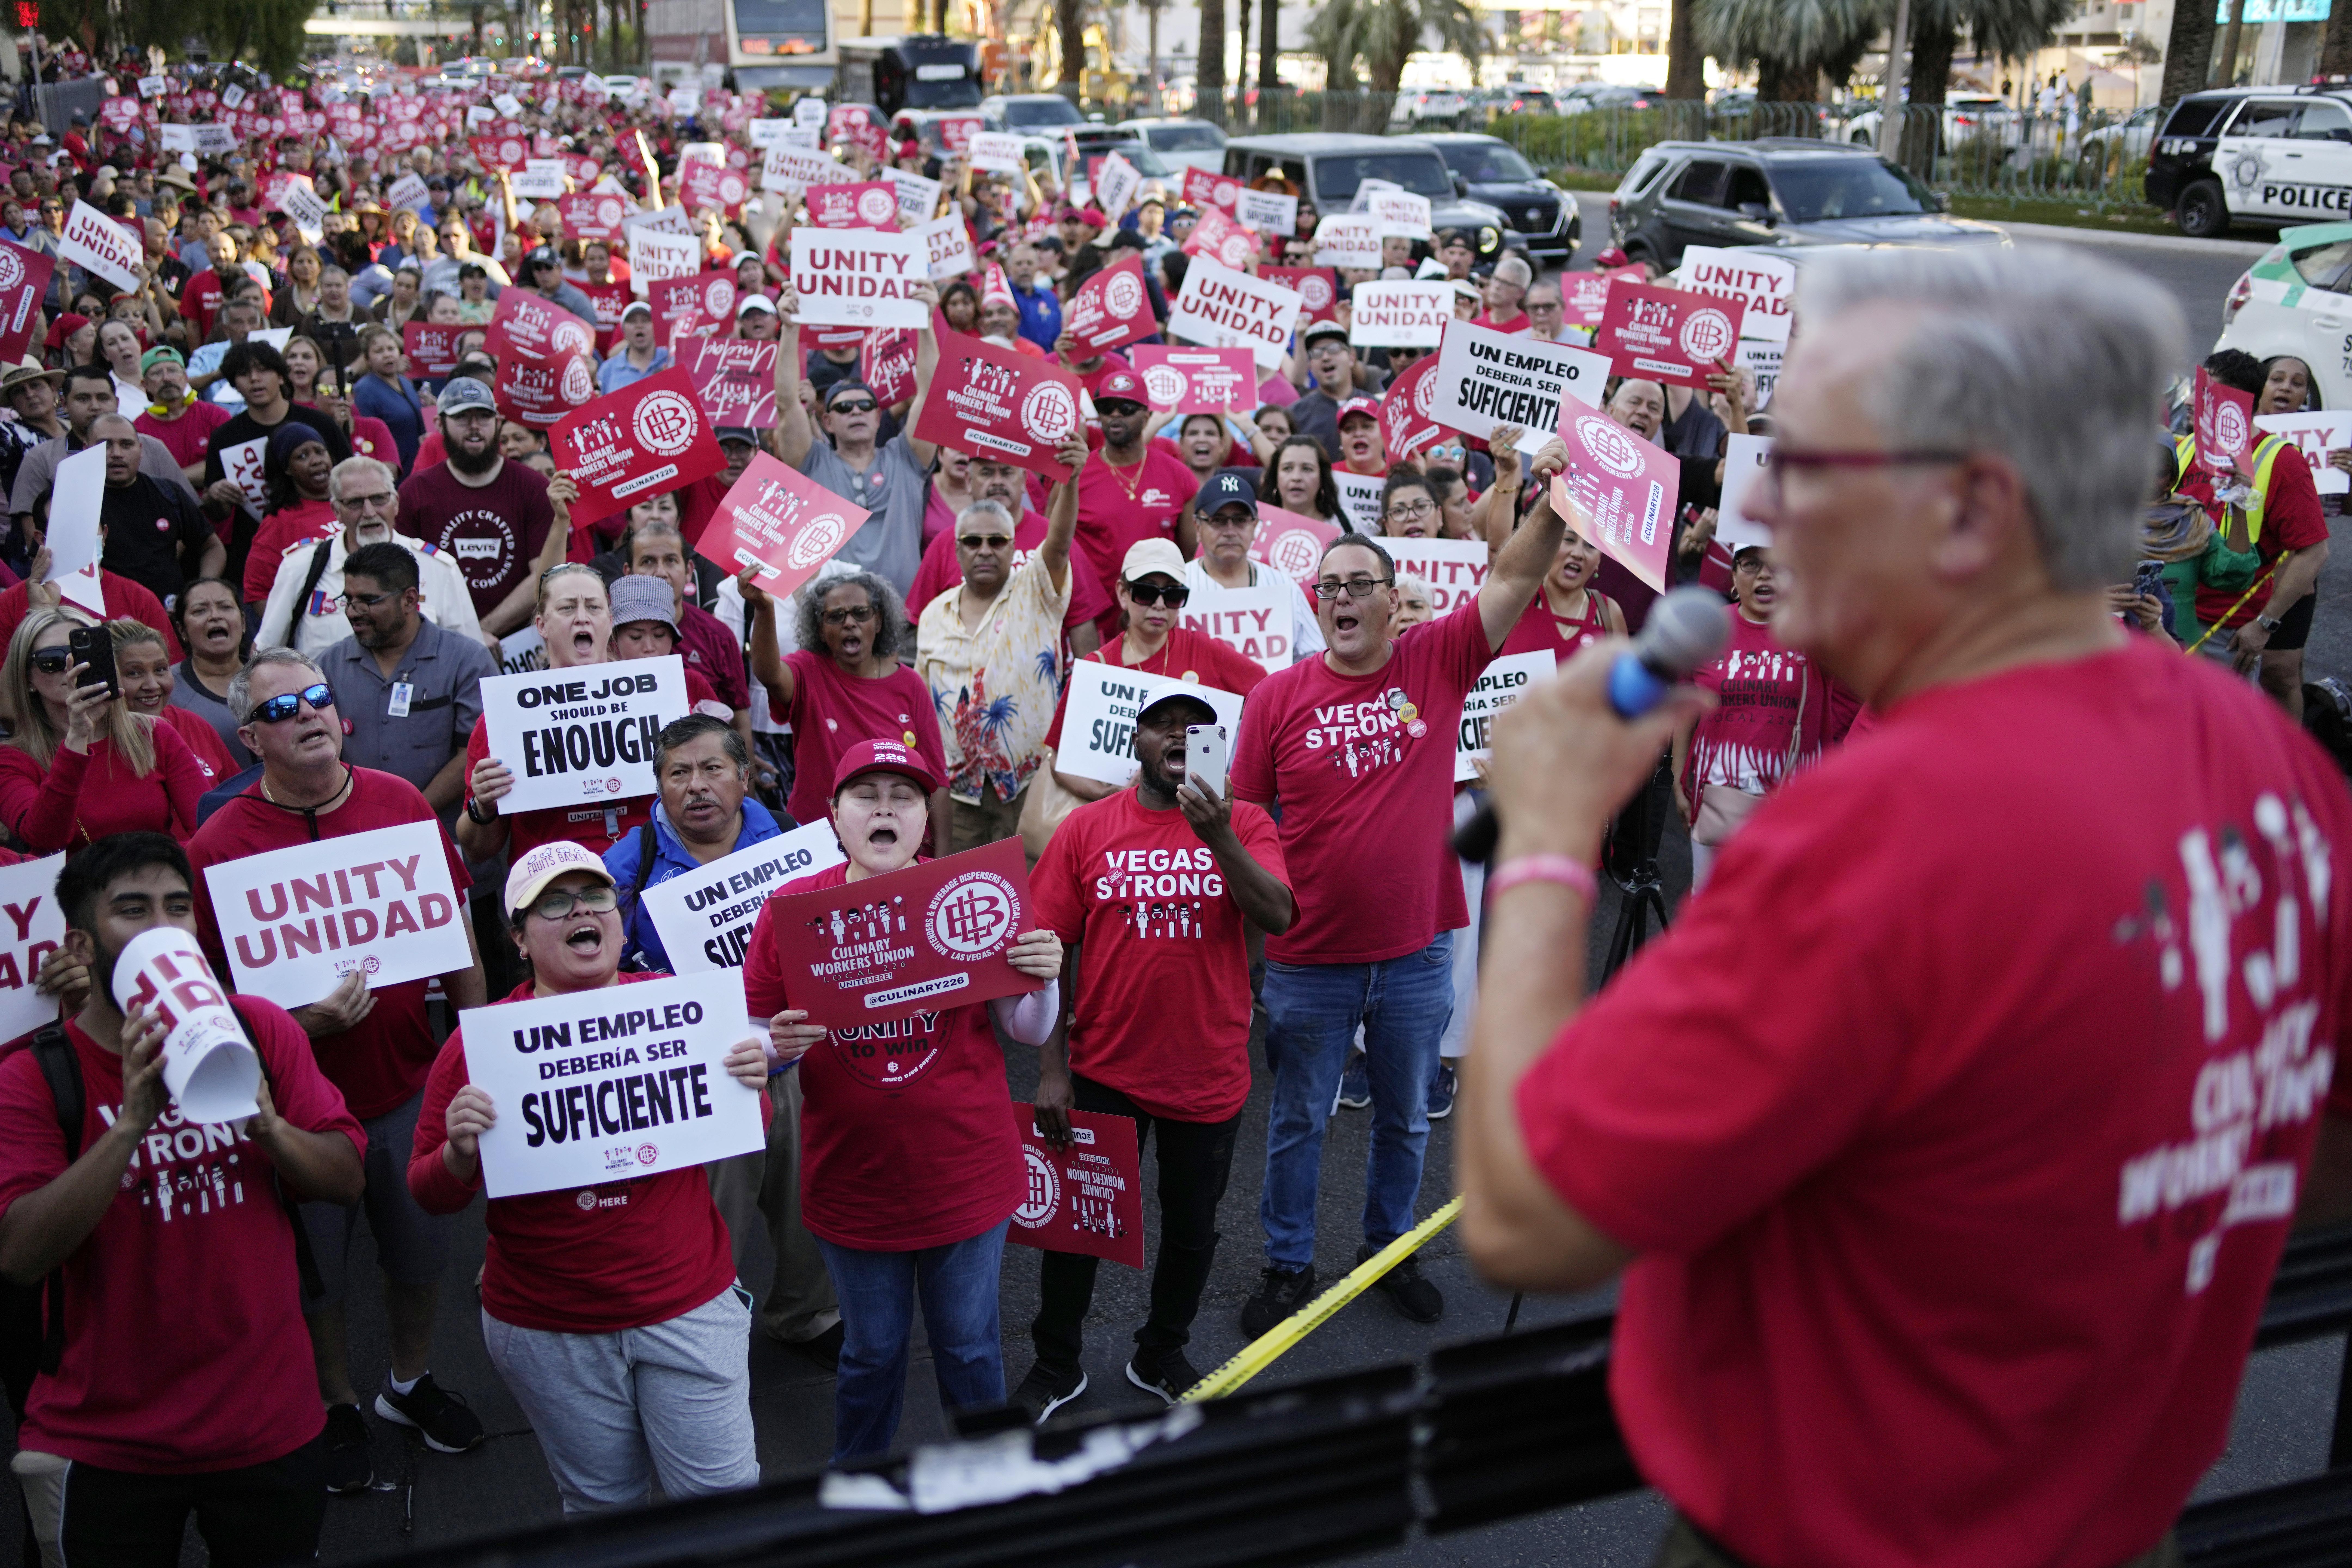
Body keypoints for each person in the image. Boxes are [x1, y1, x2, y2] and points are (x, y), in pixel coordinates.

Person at [1458, 244, 2352, 1568]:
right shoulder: (2278, 766)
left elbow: (1524, 1214)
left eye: (1816, 468)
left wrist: (1539, 843)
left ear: (1973, 510)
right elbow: (2321, 1171)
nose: (1772, 514)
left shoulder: (1885, 831)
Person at [1230, 476, 1564, 1335]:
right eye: (1328, 587)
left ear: (1391, 604)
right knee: (1301, 1119)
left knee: (1407, 1119)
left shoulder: (1437, 661)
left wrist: (1557, 503)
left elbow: (1516, 577)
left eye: (1359, 586)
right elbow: (1248, 818)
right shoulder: (1276, 698)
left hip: (1417, 954)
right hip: (1308, 960)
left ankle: (1389, 1252)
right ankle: (1288, 1263)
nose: (1341, 599)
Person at [0, 833, 364, 1568]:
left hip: (267, 1419)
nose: (163, 928)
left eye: (177, 908)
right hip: (105, 1441)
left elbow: (347, 1176)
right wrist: (130, 1125)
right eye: (133, 911)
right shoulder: (35, 1079)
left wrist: (267, 1127)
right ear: (80, 941)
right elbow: (21, 1253)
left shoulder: (260, 1028)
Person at [186, 646, 491, 1490]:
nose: (307, 715)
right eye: (281, 711)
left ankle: (408, 1381)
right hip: (299, 1107)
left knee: (420, 1251)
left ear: (339, 713)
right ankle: (336, 1405)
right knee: (316, 1273)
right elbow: (207, 994)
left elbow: (458, 937)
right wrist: (299, 1026)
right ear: (252, 740)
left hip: (409, 1085)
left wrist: (476, 1050)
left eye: (317, 698)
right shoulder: (216, 844)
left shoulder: (398, 804)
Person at [410, 840, 764, 1514]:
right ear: (518, 937)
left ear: (620, 918)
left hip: (686, 1304)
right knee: (603, 1511)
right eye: (554, 902)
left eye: (596, 894)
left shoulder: (679, 1006)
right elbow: (429, 1189)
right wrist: (460, 1149)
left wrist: (746, 1081)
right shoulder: (480, 1047)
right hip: (551, 1328)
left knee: (725, 1507)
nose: (581, 909)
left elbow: (743, 1127)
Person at [740, 740, 1064, 1462]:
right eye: (866, 793)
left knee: (972, 1351)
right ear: (833, 816)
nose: (885, 805)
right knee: (871, 1356)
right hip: (854, 1186)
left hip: (967, 1179)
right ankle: (860, 1490)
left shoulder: (970, 895)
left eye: (905, 794)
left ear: (927, 819)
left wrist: (1045, 979)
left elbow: (1024, 1028)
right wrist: (777, 1046)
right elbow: (753, 1036)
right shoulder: (793, 912)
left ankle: (994, 1487)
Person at [1013, 690, 1295, 1418]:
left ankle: (1161, 1351)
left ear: (1216, 748)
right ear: (1135, 742)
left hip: (1208, 1072)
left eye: (1197, 729)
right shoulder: (1087, 830)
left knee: (1192, 1227)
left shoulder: (1250, 823)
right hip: (1104, 1070)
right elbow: (1048, 955)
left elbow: (1279, 915)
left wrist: (1221, 836)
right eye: (1164, 724)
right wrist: (1052, 1070)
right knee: (1077, 1228)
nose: (1179, 735)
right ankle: (1057, 1363)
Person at [597, 716, 844, 1363]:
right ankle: (703, 1321)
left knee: (804, 1195)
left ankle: (806, 1312)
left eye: (712, 768)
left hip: (796, 1057)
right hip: (703, 1073)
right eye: (678, 772)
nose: (697, 786)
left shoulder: (792, 839)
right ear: (658, 785)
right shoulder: (627, 865)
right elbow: (591, 966)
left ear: (744, 775)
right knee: (712, 1210)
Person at [913, 437, 1082, 852]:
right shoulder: (935, 613)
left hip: (1028, 782)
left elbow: (1059, 544)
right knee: (965, 896)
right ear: (957, 550)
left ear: (1013, 547)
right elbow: (920, 697)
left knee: (1031, 894)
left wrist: (1072, 480)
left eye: (996, 541)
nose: (984, 551)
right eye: (973, 542)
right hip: (956, 791)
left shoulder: (1037, 592)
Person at [459, 565, 680, 865]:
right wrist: (482, 808)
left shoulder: (660, 700)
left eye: (593, 607)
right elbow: (477, 851)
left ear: (610, 620)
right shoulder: (502, 720)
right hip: (554, 888)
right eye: (566, 608)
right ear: (542, 625)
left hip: (654, 873)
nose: (582, 617)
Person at [1671, 546, 1857, 888]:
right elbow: (1684, 707)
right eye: (1752, 564)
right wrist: (1677, 776)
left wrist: (1824, 738)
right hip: (1716, 794)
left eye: (1777, 565)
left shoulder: (1812, 631)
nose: (1765, 575)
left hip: (1793, 798)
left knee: (1777, 907)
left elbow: (1853, 694)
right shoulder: (1710, 628)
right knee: (1711, 898)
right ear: (1734, 574)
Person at [1048, 538, 1269, 804]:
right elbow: (1059, 758)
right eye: (1146, 592)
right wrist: (1108, 796)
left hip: (1196, 817)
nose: (1160, 605)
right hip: (1121, 819)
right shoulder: (1098, 667)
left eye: (1173, 595)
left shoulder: (1207, 650)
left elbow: (1269, 698)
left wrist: (1242, 766)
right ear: (1123, 593)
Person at [2180, 348, 2330, 720]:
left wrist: (2264, 625)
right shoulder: (2184, 448)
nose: (2191, 401)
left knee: (2228, 738)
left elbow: (2315, 552)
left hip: (2225, 629)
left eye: (2206, 394)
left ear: (2234, 403)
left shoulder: (2281, 460)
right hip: (2172, 619)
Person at [745, 567, 947, 838]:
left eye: (861, 614)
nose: (849, 623)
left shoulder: (910, 684)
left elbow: (937, 781)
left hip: (893, 842)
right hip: (818, 840)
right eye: (836, 616)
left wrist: (941, 862)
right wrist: (763, 608)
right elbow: (769, 674)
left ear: (879, 622)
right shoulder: (807, 669)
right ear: (820, 629)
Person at [770, 281, 942, 596]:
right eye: (844, 407)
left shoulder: (906, 457)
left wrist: (927, 322)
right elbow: (786, 403)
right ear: (828, 421)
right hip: (832, 625)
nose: (856, 412)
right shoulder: (813, 462)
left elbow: (930, 394)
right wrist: (790, 329)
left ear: (879, 418)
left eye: (865, 406)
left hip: (905, 628)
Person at [0, 607, 209, 850]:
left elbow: (208, 828)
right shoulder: (12, 760)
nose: (71, 668)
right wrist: (77, 738)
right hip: (78, 887)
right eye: (52, 661)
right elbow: (46, 840)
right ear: (26, 677)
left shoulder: (154, 734)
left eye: (81, 656)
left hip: (161, 880)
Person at [321, 541, 497, 820]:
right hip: (358, 835)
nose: (353, 612)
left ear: (410, 600)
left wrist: (408, 815)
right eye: (349, 600)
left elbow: (477, 754)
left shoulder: (467, 660)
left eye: (368, 600)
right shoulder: (327, 667)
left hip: (451, 839)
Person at [255, 456, 483, 657]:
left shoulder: (440, 569)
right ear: (336, 512)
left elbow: (471, 658)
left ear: (396, 503)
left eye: (379, 499)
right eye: (355, 502)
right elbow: (266, 653)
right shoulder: (301, 566)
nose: (369, 512)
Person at [395, 377, 562, 638]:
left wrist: (484, 630)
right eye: (463, 418)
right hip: (437, 641)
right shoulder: (414, 492)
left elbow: (544, 576)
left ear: (497, 423)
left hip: (519, 644)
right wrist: (462, 637)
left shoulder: (533, 487)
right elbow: (401, 579)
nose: (475, 428)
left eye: (484, 417)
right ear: (440, 424)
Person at [904, 451, 1110, 658]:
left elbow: (1082, 620)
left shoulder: (1054, 541)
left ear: (1023, 481)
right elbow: (921, 624)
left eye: (1007, 473)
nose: (998, 482)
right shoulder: (945, 544)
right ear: (968, 481)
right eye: (987, 473)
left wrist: (1086, 687)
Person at [200, 340, 352, 593]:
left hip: (326, 545)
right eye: (244, 374)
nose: (255, 380)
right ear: (235, 385)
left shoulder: (319, 424)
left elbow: (349, 478)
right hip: (257, 555)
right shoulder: (224, 437)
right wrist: (216, 495)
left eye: (263, 371)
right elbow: (218, 512)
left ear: (282, 377)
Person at [1073, 369, 1199, 643]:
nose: (1115, 415)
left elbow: (1190, 559)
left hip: (1156, 623)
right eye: (1106, 408)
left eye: (1126, 408)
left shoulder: (1178, 476)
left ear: (1147, 415)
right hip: (1091, 627)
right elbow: (1058, 550)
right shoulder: (1076, 476)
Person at [1184, 470, 1325, 662]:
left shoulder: (1284, 586)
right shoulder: (1178, 585)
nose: (1230, 531)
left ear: (1255, 526)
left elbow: (1313, 660)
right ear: (1198, 527)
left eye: (1240, 520)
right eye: (1218, 520)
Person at [111, 618, 236, 783]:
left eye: (161, 670)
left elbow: (237, 795)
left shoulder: (192, 724)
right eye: (134, 673)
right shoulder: (96, 740)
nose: (153, 685)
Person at [238, 421, 339, 608]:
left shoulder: (355, 502)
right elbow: (258, 591)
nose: (316, 461)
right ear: (287, 469)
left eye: (320, 451)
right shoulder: (279, 522)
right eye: (303, 456)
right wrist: (289, 633)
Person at [168, 576, 256, 768]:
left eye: (225, 607)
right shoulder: (167, 689)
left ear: (243, 622)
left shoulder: (274, 677)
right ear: (182, 630)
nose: (215, 616)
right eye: (200, 611)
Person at [134, 347, 230, 487]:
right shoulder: (138, 431)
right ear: (145, 385)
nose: (167, 378)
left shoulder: (215, 416)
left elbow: (230, 463)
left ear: (186, 378)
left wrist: (170, 479)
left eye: (173, 371)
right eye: (157, 373)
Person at [1288, 321, 1382, 461]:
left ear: (1352, 358)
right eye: (1317, 353)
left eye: (1334, 349)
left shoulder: (1381, 410)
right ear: (1310, 366)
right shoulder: (1296, 415)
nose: (1326, 357)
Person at [597, 301, 670, 395]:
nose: (639, 326)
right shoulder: (608, 370)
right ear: (623, 330)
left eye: (646, 320)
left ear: (656, 326)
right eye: (632, 321)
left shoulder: (671, 361)